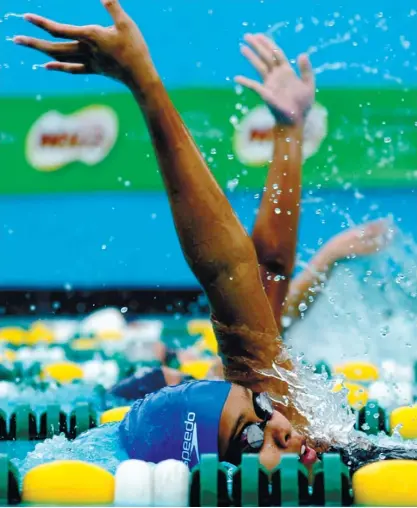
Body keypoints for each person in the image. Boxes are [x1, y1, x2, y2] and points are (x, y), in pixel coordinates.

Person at [14, 0, 322, 472]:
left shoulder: (288, 428)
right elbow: (238, 274)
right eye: (251, 434)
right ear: (208, 473)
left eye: (260, 412)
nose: (277, 423)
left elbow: (250, 274)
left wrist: (288, 131)